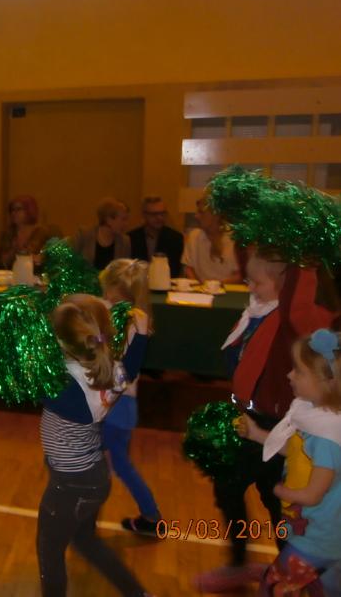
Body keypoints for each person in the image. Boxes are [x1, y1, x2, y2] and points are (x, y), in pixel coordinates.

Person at [194, 253, 337, 592]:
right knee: (228, 488)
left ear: (285, 285)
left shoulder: (297, 319)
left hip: (280, 423)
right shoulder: (257, 312)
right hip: (251, 418)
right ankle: (243, 562)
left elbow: (297, 303)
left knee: (277, 504)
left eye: (257, 283)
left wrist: (303, 259)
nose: (250, 288)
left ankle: (288, 567)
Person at [38, 294, 151, 597]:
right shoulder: (111, 370)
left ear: (63, 344)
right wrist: (140, 335)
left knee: (49, 552)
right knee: (86, 541)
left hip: (70, 485)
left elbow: (35, 383)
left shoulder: (66, 389)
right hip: (92, 476)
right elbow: (132, 366)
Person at [237, 329, 341, 596]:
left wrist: (281, 491)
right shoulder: (315, 417)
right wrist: (257, 434)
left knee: (272, 586)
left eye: (299, 371)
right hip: (321, 535)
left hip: (316, 539)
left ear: (325, 383)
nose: (289, 375)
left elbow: (314, 494)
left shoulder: (326, 436)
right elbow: (296, 451)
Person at [100, 259, 163, 534]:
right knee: (117, 464)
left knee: (110, 465)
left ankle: (151, 516)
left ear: (118, 291)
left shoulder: (124, 321)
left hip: (114, 405)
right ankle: (150, 515)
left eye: (107, 289)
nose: (104, 293)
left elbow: (120, 368)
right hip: (121, 405)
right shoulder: (137, 319)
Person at [182, 198, 242, 284]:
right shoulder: (194, 236)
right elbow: (188, 268)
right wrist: (199, 286)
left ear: (215, 215)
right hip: (200, 289)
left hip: (228, 288)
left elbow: (241, 275)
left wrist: (216, 286)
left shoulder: (235, 238)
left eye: (201, 212)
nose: (196, 216)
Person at [128, 196, 184, 278]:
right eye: (154, 214)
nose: (159, 218)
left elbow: (175, 270)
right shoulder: (131, 238)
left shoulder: (175, 238)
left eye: (162, 213)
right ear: (144, 215)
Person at [71, 197, 132, 271]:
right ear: (109, 220)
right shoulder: (84, 235)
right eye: (123, 219)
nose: (126, 224)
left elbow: (124, 272)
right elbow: (70, 261)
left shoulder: (125, 242)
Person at [0, 195, 50, 269]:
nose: (14, 213)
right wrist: (13, 251)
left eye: (18, 209)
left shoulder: (41, 233)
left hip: (35, 273)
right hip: (10, 273)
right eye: (12, 210)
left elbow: (47, 259)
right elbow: (1, 263)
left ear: (30, 210)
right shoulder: (8, 233)